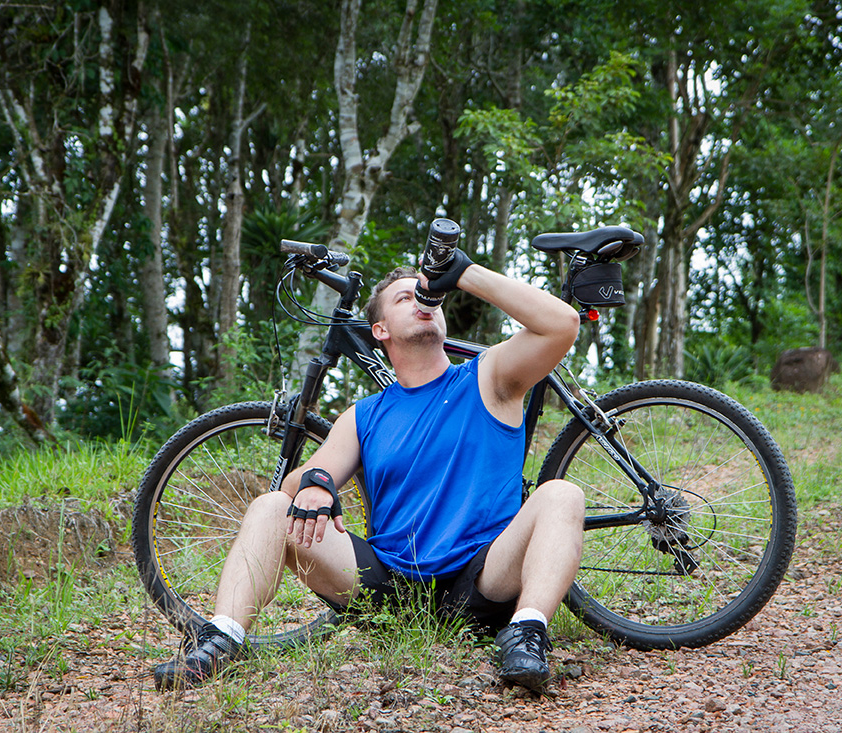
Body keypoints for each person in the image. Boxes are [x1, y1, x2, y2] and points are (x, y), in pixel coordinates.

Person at [154, 247, 586, 694]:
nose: (422, 301)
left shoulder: (489, 377)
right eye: (405, 298)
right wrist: (317, 485)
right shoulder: (363, 415)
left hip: (481, 581)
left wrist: (464, 274)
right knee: (270, 506)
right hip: (388, 588)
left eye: (428, 296)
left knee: (562, 495)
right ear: (379, 330)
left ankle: (526, 636)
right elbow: (299, 481)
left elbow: (561, 324)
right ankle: (220, 642)